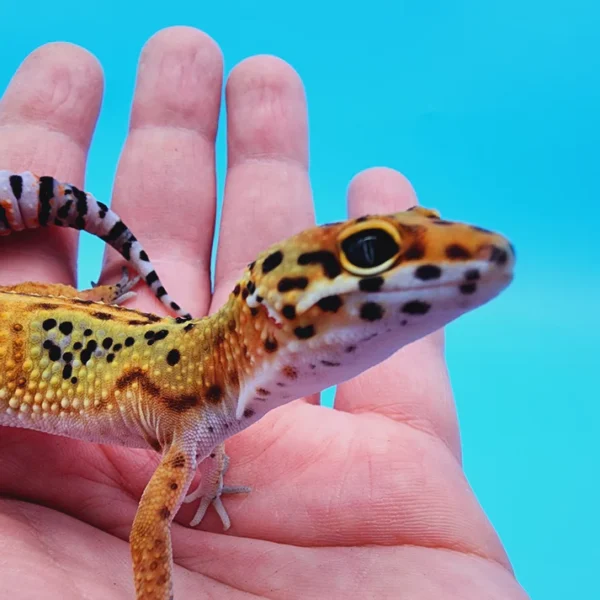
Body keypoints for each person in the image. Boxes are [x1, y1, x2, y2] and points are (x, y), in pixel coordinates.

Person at [0, 26, 528, 599]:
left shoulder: (218, 395)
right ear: (272, 312)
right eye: (369, 252)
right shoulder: (197, 414)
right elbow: (148, 528)